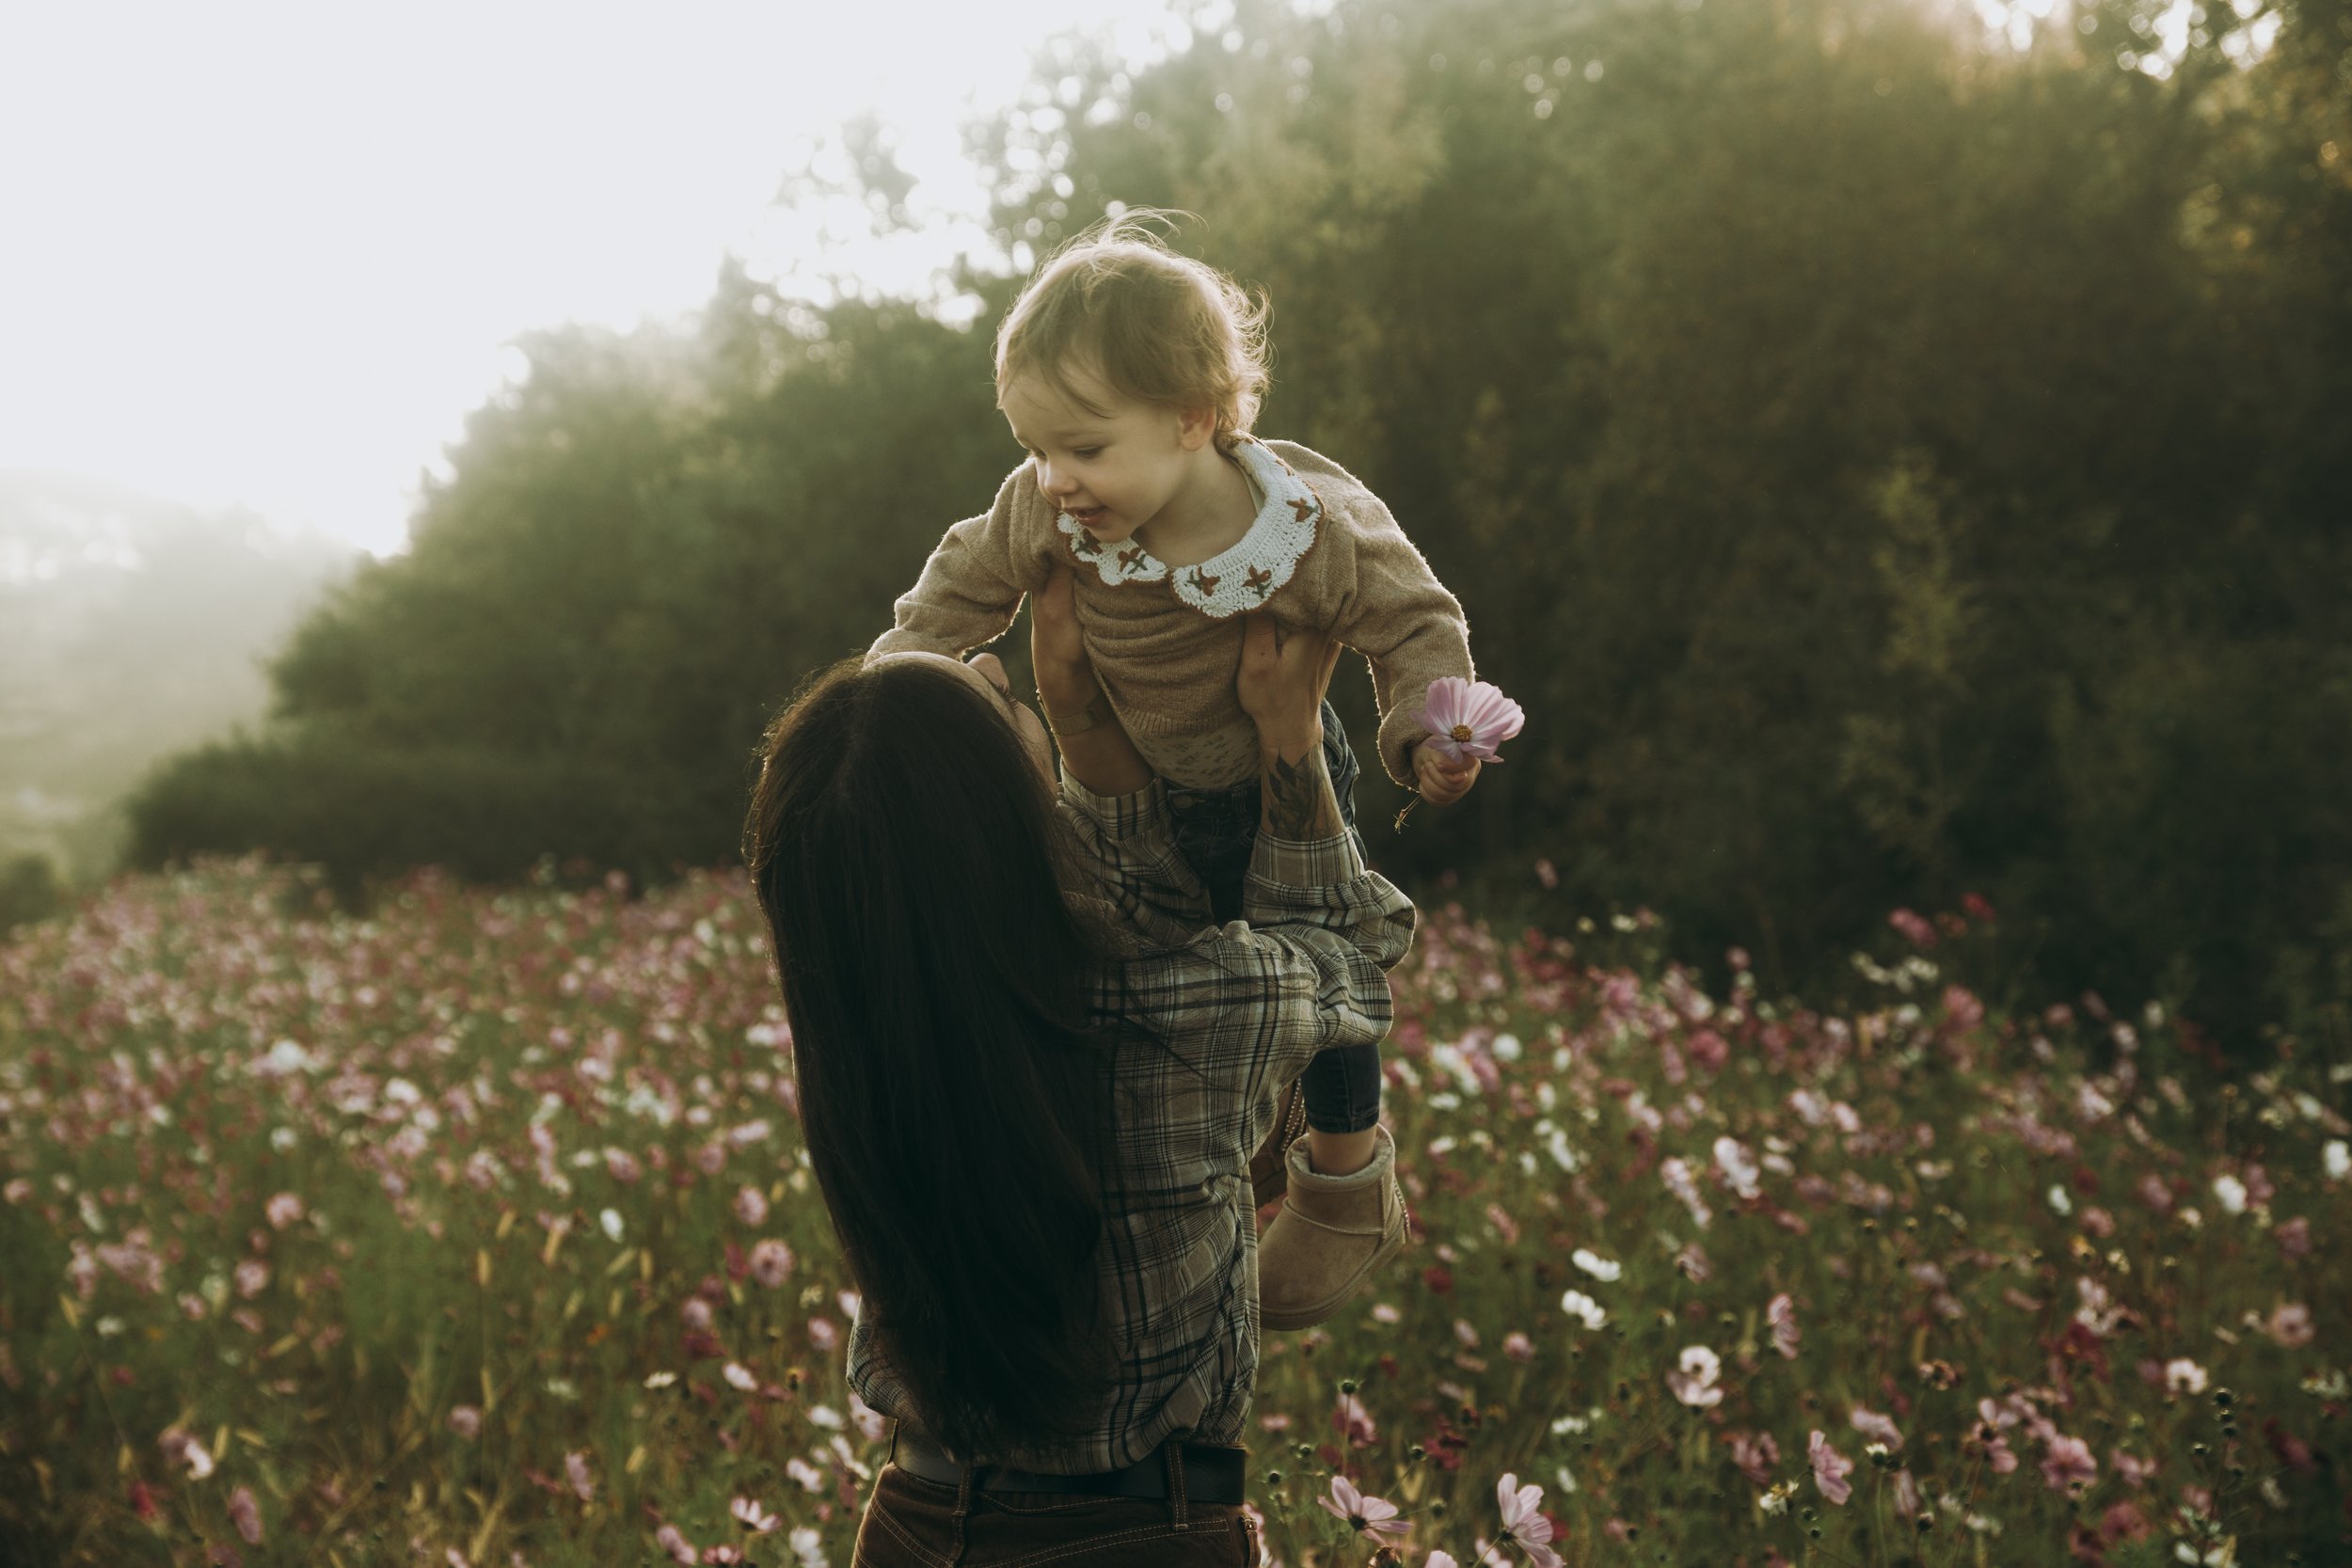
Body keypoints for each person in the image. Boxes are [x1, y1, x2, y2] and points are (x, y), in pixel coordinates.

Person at [866, 212, 1481, 1325]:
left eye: (1084, 447)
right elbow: (962, 582)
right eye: (1033, 448)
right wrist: (896, 675)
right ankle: (1235, 1159)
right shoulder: (1052, 514)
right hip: (1132, 789)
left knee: (1331, 965)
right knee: (1158, 978)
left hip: (1280, 774)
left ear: (1194, 418)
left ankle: (1347, 1175)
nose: (1054, 478)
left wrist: (1429, 732)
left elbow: (1411, 615)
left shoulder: (1299, 523)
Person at [744, 568, 1416, 1565]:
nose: (986, 658)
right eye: (997, 694)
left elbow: (1109, 899)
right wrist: (1292, 735)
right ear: (996, 814)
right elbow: (1349, 951)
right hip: (1136, 1537)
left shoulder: (870, 1020)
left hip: (914, 1527)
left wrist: (1082, 726)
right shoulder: (1184, 1005)